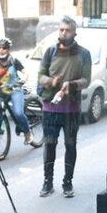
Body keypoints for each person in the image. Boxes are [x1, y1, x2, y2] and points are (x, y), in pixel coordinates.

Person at [37, 16, 91, 198]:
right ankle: (47, 182)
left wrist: (71, 85)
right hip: (50, 108)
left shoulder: (84, 54)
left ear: (74, 33)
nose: (63, 33)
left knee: (70, 145)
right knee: (49, 145)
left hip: (71, 109)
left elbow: (86, 80)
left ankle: (68, 182)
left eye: (67, 30)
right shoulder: (50, 52)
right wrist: (52, 81)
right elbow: (40, 77)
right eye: (61, 30)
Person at [0, 37, 33, 146]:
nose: (1, 50)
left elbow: (25, 72)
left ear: (8, 49)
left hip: (15, 90)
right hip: (1, 92)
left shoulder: (14, 61)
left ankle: (28, 133)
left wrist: (23, 80)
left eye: (4, 48)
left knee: (18, 112)